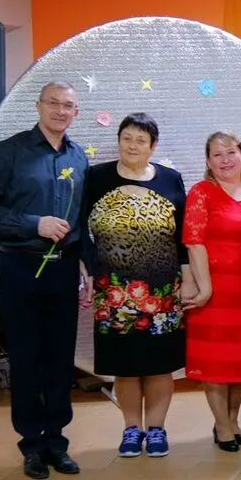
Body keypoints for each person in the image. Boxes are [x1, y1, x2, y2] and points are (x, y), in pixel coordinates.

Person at [0, 81, 88, 479]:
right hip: (21, 267)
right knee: (25, 357)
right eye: (53, 103)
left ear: (76, 113)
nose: (60, 110)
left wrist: (85, 265)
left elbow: (81, 220)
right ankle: (31, 444)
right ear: (38, 106)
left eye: (68, 105)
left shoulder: (78, 156)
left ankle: (56, 441)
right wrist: (34, 224)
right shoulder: (9, 151)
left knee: (60, 358)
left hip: (63, 270)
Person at [81, 113, 190, 458]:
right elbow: (80, 230)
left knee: (159, 363)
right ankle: (131, 429)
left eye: (141, 140)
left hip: (162, 291)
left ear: (153, 146)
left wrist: (188, 279)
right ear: (118, 140)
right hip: (113, 290)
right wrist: (87, 269)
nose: (132, 145)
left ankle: (156, 429)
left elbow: (183, 237)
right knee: (124, 364)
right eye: (127, 138)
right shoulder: (96, 177)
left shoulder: (170, 179)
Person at [182, 131, 241, 452]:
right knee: (216, 360)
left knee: (239, 358)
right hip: (214, 290)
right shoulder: (202, 192)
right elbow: (193, 241)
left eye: (231, 152)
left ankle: (233, 420)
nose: (226, 160)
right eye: (217, 155)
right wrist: (204, 287)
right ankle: (221, 424)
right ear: (208, 161)